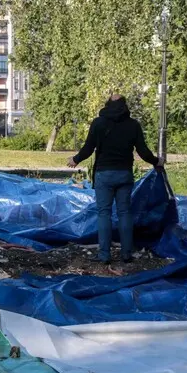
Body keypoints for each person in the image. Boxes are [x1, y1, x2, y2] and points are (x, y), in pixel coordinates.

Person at [67, 94, 164, 263]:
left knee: (104, 213)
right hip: (124, 174)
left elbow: (89, 148)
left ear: (107, 105)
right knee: (125, 213)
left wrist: (75, 159)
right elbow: (143, 151)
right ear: (124, 106)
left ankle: (104, 255)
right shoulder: (133, 125)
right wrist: (157, 162)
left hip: (104, 175)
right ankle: (126, 254)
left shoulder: (98, 123)